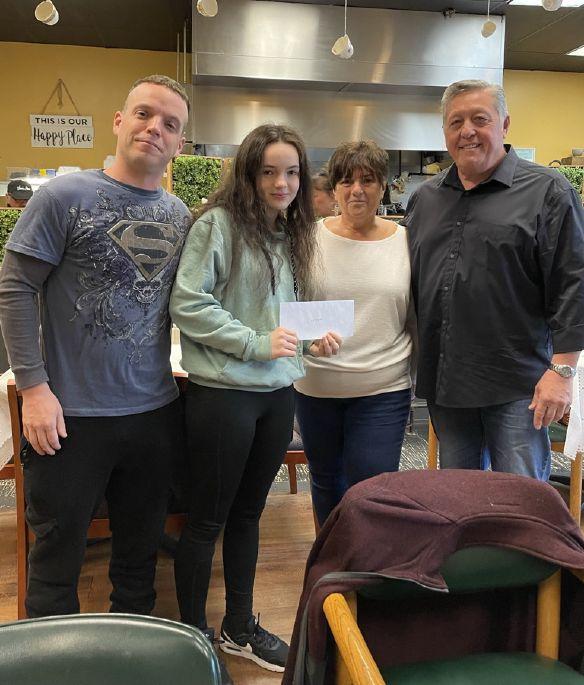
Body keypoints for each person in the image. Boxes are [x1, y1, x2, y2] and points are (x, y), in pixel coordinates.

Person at [0, 75, 191, 618]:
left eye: (170, 124)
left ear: (179, 143)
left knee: (139, 560)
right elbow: (15, 287)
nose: (154, 129)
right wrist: (33, 389)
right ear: (119, 121)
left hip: (154, 413)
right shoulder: (64, 197)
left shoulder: (180, 216)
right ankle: (50, 658)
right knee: (56, 561)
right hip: (69, 418)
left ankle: (130, 651)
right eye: (144, 114)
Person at [170, 123, 337, 678]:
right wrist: (254, 344)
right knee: (206, 520)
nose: (281, 183)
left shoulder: (289, 232)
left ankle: (238, 628)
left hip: (277, 394)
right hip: (224, 397)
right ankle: (192, 637)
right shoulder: (216, 225)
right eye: (268, 171)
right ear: (248, 173)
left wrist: (311, 338)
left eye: (291, 172)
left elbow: (279, 314)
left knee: (248, 514)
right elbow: (189, 304)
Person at [403, 79, 584, 480]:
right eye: (456, 122)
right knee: (460, 497)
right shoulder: (425, 199)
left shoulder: (548, 192)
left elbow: (574, 284)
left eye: (479, 119)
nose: (467, 131)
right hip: (447, 382)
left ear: (504, 124)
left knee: (520, 500)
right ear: (445, 132)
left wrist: (563, 371)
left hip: (518, 386)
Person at [295, 140, 413, 527]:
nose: (356, 190)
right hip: (317, 387)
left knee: (373, 486)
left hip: (383, 387)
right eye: (346, 181)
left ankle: (370, 562)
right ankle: (330, 560)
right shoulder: (306, 238)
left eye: (367, 180)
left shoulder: (406, 242)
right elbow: (284, 301)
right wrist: (305, 338)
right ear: (334, 188)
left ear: (383, 186)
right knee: (326, 481)